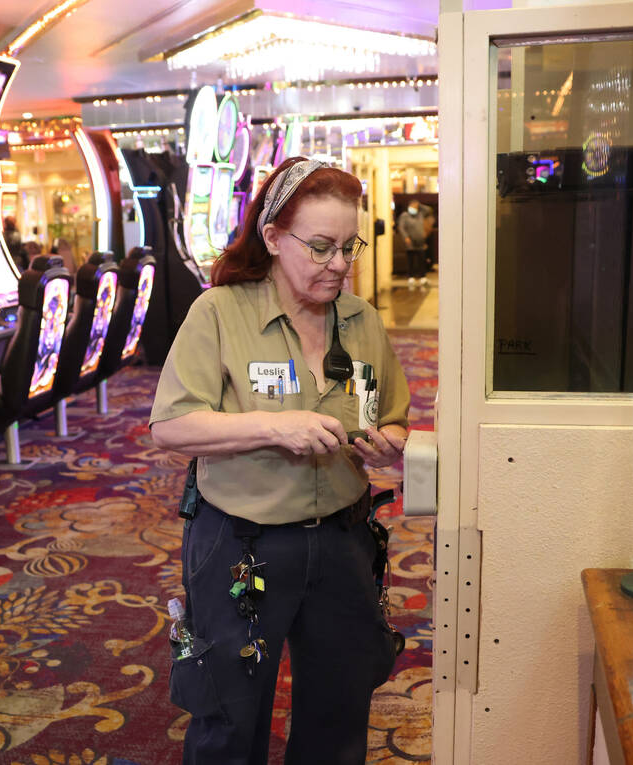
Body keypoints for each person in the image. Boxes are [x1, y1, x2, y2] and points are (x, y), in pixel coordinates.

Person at [150, 157, 409, 764]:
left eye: (350, 247)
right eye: (320, 247)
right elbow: (171, 425)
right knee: (228, 718)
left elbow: (389, 415)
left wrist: (387, 440)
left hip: (344, 543)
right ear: (272, 237)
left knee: (338, 714)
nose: (340, 265)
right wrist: (273, 426)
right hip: (243, 544)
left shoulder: (362, 320)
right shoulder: (219, 313)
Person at [396, 198, 431, 288]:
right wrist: (406, 237)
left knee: (422, 259)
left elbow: (428, 210)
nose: (414, 208)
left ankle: (422, 277)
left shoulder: (420, 214)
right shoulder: (405, 215)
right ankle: (411, 277)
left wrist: (419, 205)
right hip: (410, 241)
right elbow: (401, 227)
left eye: (415, 207)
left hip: (420, 241)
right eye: (412, 206)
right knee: (411, 259)